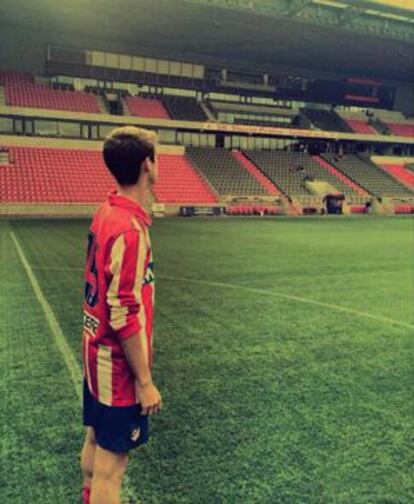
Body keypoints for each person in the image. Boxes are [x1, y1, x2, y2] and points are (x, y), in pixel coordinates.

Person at [80, 126, 162, 504]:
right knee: (113, 468)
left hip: (94, 355)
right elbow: (125, 313)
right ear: (147, 164)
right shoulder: (129, 232)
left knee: (95, 439)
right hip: (116, 368)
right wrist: (145, 381)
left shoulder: (106, 211)